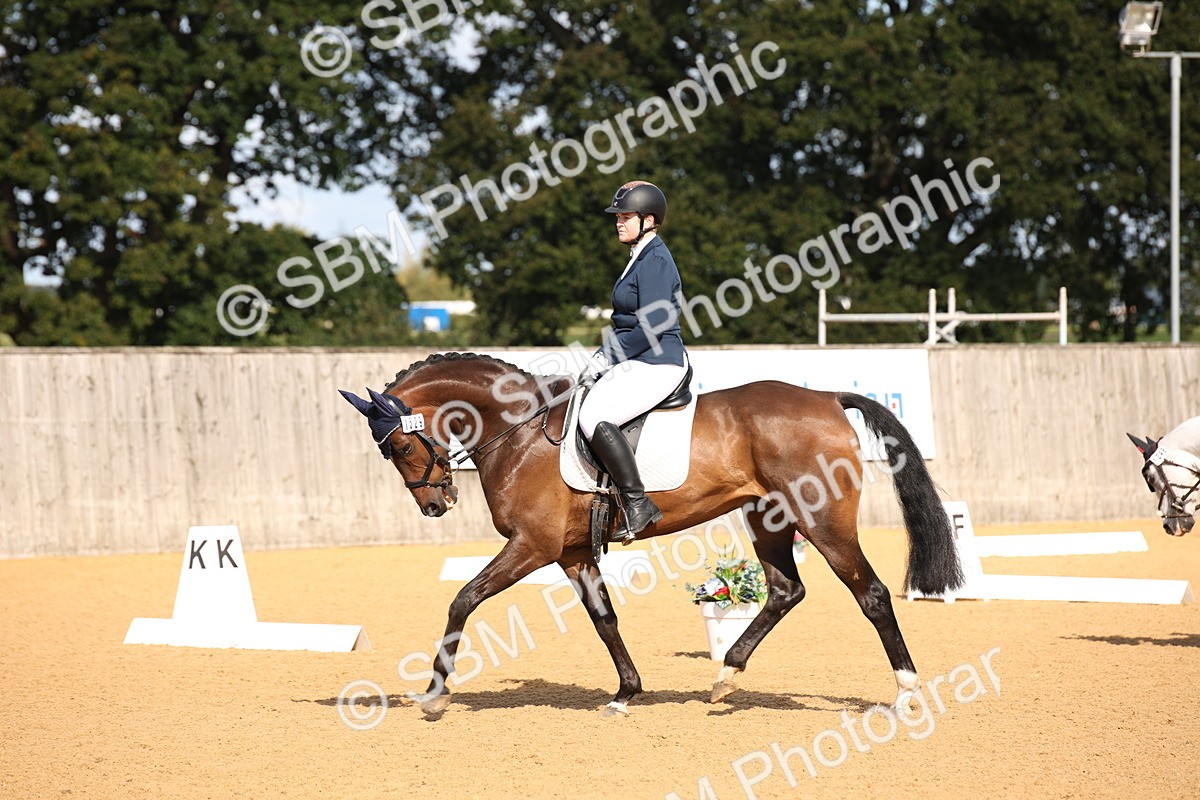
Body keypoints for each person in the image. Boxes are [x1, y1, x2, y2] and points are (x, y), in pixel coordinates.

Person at [579, 180, 689, 544]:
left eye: (625, 216)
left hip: (658, 361)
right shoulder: (640, 256)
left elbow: (653, 325)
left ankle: (638, 503)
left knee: (593, 417)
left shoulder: (655, 259)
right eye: (618, 216)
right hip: (638, 357)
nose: (618, 222)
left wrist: (607, 357)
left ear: (649, 219)